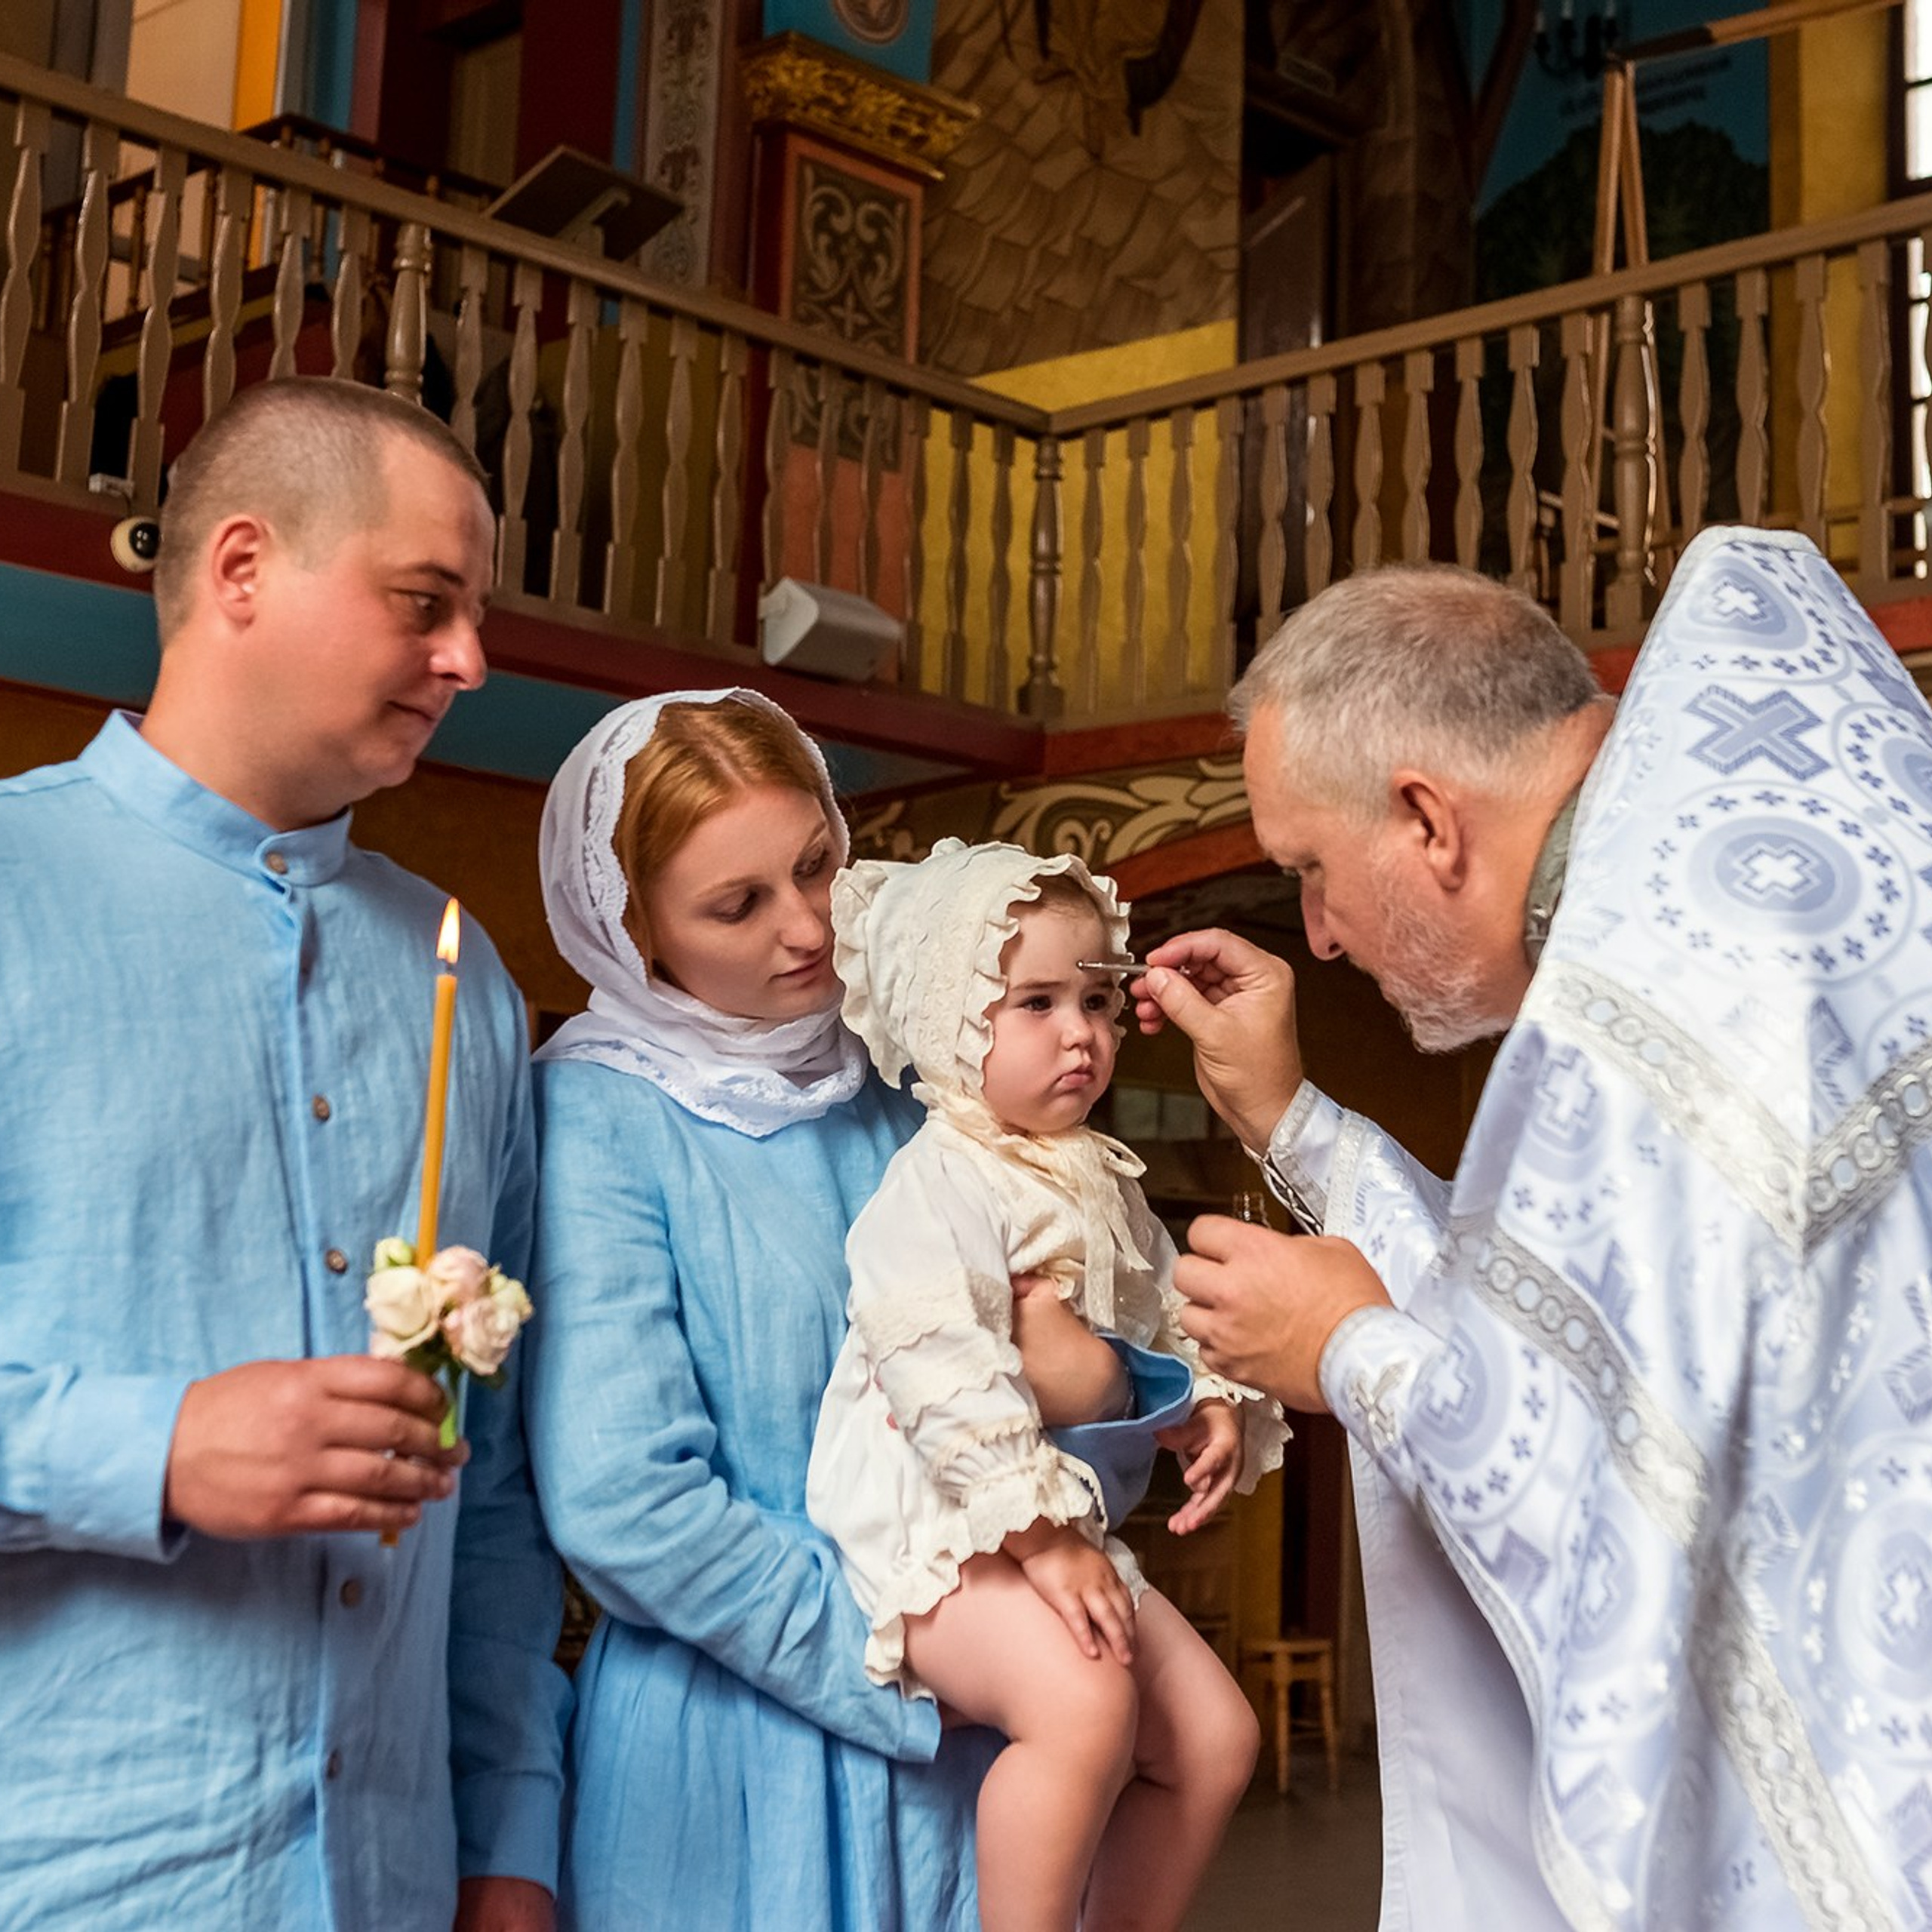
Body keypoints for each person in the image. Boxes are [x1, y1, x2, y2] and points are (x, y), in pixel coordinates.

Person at [1134, 530, 1932, 1930]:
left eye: (1313, 868)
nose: (1317, 935)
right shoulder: (1731, 868)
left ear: (1429, 820)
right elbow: (1582, 1314)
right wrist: (1297, 1124)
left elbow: (1620, 1507)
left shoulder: (1658, 991)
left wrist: (1347, 1353)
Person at [0, 377, 568, 1932]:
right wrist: (157, 1447)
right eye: (423, 602)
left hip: (394, 1876)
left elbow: (492, 1477)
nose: (467, 659)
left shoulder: (466, 975)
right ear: (242, 568)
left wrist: (511, 1835)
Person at [528, 691, 1014, 1930]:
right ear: (633, 933)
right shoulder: (595, 1119)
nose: (807, 928)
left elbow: (1019, 1388)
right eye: (737, 905)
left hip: (981, 1720)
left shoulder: (915, 1097)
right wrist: (912, 1660)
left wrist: (1133, 1406)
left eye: (816, 865)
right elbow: (626, 1502)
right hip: (741, 1743)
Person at [808, 838, 1278, 1932]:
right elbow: (940, 1366)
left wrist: (1211, 1394)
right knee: (1082, 1704)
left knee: (1217, 1740)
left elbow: (1167, 1307)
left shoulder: (1098, 1180)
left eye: (1099, 1003)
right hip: (940, 1516)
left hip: (1049, 1527)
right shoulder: (939, 1180)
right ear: (949, 1020)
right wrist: (1042, 1537)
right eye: (1037, 1003)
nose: (1084, 1034)